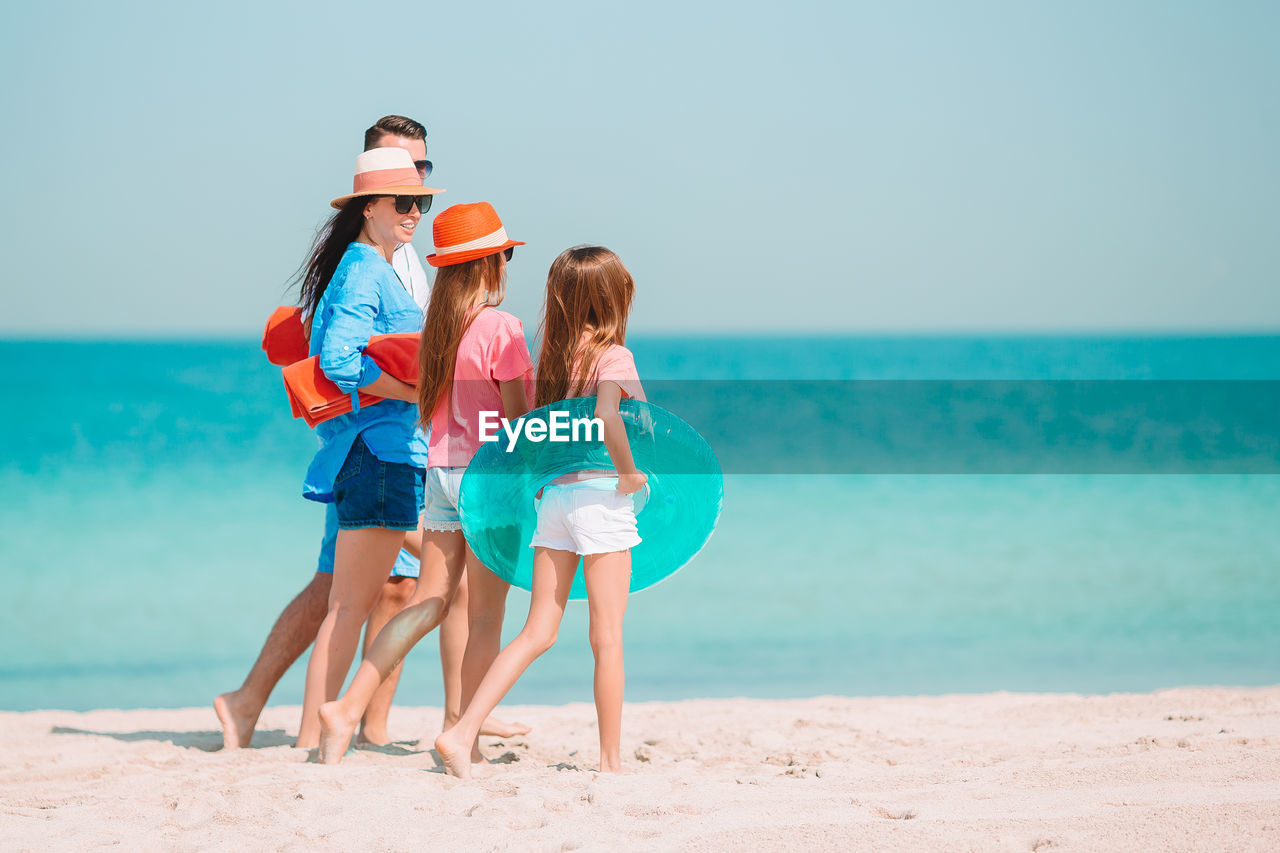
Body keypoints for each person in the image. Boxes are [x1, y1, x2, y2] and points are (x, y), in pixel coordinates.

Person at [216, 118, 524, 750]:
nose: (415, 211)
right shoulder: (365, 269)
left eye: (422, 200)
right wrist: (418, 391)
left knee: (362, 599)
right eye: (403, 202)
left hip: (377, 449)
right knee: (366, 601)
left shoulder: (373, 263)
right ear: (369, 206)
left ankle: (328, 731)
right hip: (382, 449)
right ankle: (326, 731)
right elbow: (339, 361)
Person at [316, 202, 533, 764]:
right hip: (486, 480)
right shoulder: (502, 328)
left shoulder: (434, 328)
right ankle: (465, 736)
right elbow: (519, 422)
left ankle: (346, 708)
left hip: (438, 476)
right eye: (505, 255)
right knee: (484, 614)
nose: (509, 265)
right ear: (489, 264)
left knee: (429, 600)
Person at [435, 246, 646, 778]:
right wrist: (628, 473)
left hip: (555, 500)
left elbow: (538, 430)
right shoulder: (614, 356)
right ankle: (611, 761)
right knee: (608, 637)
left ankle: (461, 732)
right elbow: (608, 418)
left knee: (537, 632)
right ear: (615, 298)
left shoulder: (553, 356)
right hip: (601, 499)